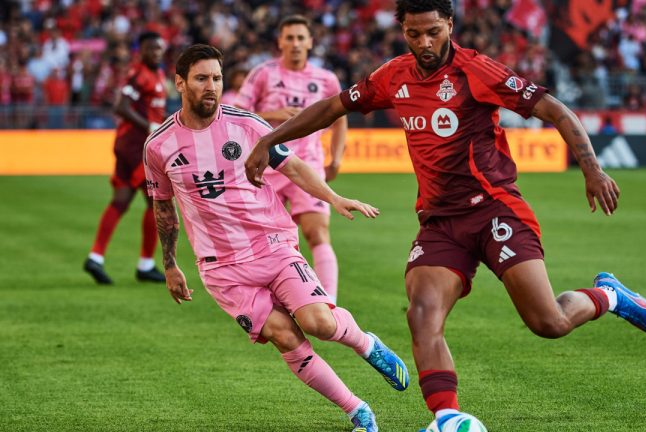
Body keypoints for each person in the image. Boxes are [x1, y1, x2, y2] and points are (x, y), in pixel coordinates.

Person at [243, 1, 646, 429]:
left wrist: (592, 169)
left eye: (433, 32)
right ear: (402, 30)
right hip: (441, 222)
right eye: (413, 34)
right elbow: (331, 108)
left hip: (495, 208)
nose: (424, 43)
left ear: (450, 26)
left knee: (548, 322)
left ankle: (608, 296)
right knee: (421, 312)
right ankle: (448, 417)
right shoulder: (393, 76)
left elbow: (554, 108)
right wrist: (269, 139)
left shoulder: (477, 70)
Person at [144, 44, 408, 432]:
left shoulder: (247, 125)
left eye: (216, 78)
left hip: (272, 245)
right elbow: (163, 208)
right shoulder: (159, 146)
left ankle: (367, 345)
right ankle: (358, 411)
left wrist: (333, 198)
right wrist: (169, 264)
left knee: (318, 321)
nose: (211, 86)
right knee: (285, 336)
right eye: (201, 79)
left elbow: (293, 166)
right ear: (180, 82)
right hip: (222, 268)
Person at [235, 15, 347, 304]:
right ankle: (274, 299)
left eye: (301, 38)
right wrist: (273, 115)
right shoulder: (262, 73)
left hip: (307, 163)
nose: (295, 44)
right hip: (267, 166)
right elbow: (238, 111)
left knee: (316, 231)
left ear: (310, 42)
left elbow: (339, 119)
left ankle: (329, 302)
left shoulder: (325, 79)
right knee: (266, 241)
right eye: (290, 38)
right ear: (280, 42)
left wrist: (336, 157)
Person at [83, 32, 168, 285]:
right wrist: (151, 127)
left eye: (159, 48)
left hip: (133, 145)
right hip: (135, 146)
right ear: (139, 50)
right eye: (151, 48)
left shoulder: (159, 75)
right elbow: (121, 107)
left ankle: (95, 257)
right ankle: (145, 264)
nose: (156, 53)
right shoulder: (137, 74)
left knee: (121, 200)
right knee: (158, 200)